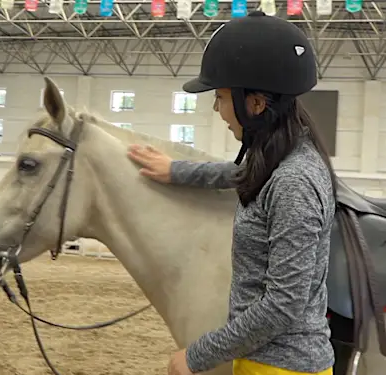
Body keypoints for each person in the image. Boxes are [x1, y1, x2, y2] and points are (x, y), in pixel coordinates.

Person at [128, 11, 337, 375]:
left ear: (255, 104)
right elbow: (236, 172)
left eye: (221, 96)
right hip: (263, 363)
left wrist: (197, 355)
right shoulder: (281, 159)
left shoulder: (294, 181)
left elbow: (283, 305)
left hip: (281, 369)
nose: (217, 108)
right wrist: (175, 169)